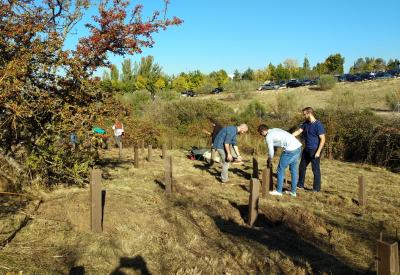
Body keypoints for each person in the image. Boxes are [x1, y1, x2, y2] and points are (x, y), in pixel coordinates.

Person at [258, 124, 302, 197]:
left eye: (260, 133)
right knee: (293, 170)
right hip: (298, 147)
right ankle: (293, 192)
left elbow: (271, 150)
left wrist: (270, 159)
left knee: (280, 170)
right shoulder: (274, 129)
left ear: (263, 131)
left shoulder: (268, 136)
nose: (261, 135)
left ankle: (279, 191)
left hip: (290, 150)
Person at [292, 107, 326, 192]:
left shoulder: (318, 124)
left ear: (309, 113)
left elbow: (323, 139)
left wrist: (318, 152)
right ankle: (300, 185)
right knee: (301, 167)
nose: (304, 116)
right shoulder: (305, 123)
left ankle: (316, 189)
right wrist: (290, 136)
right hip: (306, 149)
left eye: (304, 114)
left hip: (315, 150)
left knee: (315, 169)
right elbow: (299, 131)